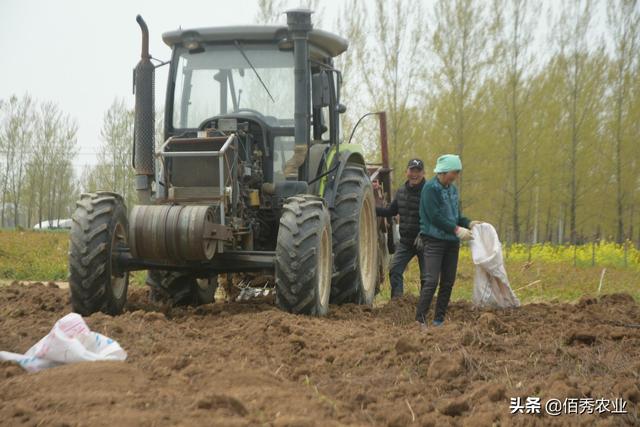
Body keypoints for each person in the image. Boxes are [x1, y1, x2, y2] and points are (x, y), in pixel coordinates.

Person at [415, 154, 480, 328]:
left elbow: (456, 216)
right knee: (431, 280)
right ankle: (420, 319)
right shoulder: (430, 189)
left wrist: (468, 223)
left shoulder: (452, 190)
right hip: (434, 240)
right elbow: (435, 217)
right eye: (454, 172)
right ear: (444, 171)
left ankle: (439, 319)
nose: (456, 176)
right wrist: (457, 230)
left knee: (448, 281)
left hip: (452, 242)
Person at [376, 159, 427, 299]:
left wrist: (424, 233)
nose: (414, 174)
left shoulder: (429, 191)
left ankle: (425, 306)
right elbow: (391, 211)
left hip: (425, 240)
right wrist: (372, 210)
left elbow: (434, 215)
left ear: (423, 173)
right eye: (412, 171)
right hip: (406, 242)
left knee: (427, 277)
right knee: (394, 269)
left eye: (418, 171)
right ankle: (398, 303)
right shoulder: (401, 191)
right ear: (407, 172)